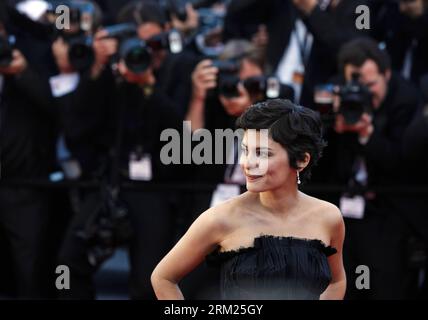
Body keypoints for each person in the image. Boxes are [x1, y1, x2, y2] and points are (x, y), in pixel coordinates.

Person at [151, 99, 346, 300]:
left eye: (262, 154)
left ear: (302, 160)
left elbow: (337, 281)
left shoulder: (328, 217)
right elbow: (163, 278)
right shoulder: (222, 218)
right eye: (245, 150)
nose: (247, 163)